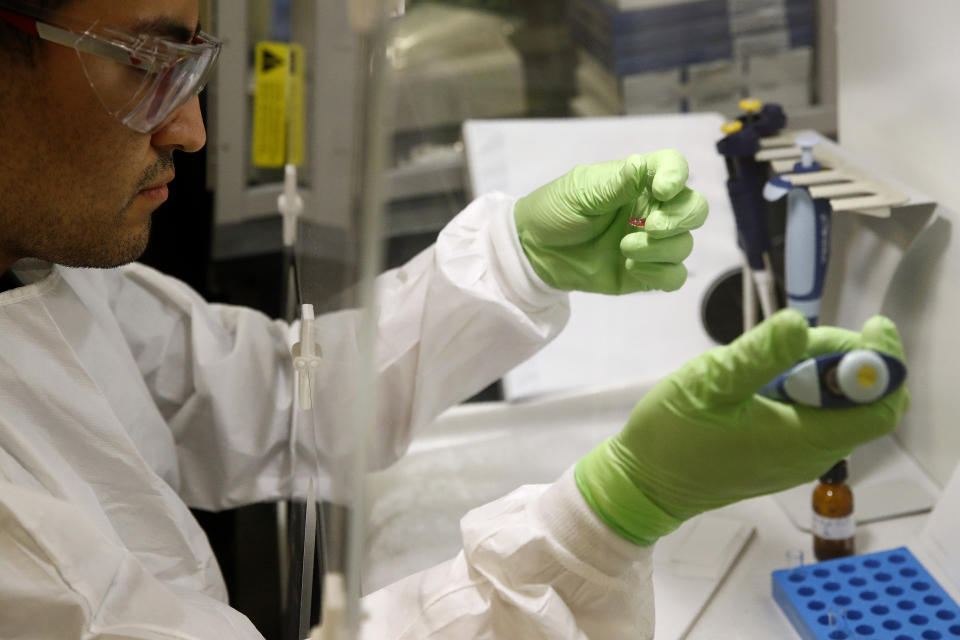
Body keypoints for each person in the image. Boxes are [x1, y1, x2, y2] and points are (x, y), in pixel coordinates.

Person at [0, 1, 908, 639]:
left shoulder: (36, 267)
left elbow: (271, 395)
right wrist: (606, 516)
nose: (191, 130)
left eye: (193, 65)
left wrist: (518, 259)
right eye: (145, 64)